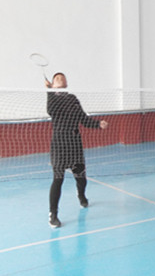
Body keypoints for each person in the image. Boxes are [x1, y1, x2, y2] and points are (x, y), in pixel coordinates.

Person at [45, 73, 108, 228]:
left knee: (81, 178)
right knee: (58, 180)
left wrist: (98, 124)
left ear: (66, 83)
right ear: (53, 84)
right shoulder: (52, 99)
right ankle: (53, 214)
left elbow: (83, 119)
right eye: (56, 78)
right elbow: (51, 111)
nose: (60, 78)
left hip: (75, 145)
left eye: (62, 77)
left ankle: (81, 195)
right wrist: (49, 92)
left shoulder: (73, 99)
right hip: (59, 146)